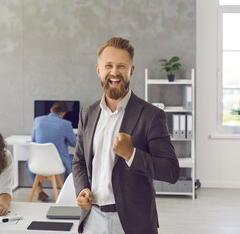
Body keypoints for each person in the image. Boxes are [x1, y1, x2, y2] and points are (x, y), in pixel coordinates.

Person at [72, 37, 180, 234]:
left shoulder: (151, 116)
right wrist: (82, 190)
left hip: (133, 224)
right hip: (92, 221)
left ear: (131, 71)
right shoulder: (87, 113)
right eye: (108, 66)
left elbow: (171, 172)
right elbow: (79, 161)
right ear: (98, 70)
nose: (114, 72)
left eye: (121, 66)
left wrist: (131, 154)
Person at [27, 101, 77, 201]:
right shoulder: (66, 124)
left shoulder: (37, 120)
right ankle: (66, 191)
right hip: (57, 165)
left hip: (37, 164)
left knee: (28, 161)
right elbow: (74, 144)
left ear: (51, 110)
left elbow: (34, 140)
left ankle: (39, 190)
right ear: (63, 113)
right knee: (74, 161)